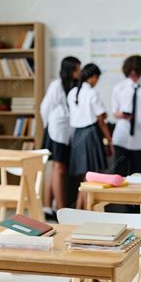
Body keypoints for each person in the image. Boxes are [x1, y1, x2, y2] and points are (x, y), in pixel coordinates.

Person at [67, 63, 114, 209]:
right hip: (91, 135)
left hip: (78, 135)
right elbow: (101, 121)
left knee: (86, 177)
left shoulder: (72, 92)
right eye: (97, 78)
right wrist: (110, 140)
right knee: (91, 176)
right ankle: (84, 209)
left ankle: (80, 209)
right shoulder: (93, 93)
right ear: (93, 77)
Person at [40, 56, 81, 219]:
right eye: (77, 68)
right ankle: (61, 209)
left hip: (66, 132)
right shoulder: (56, 85)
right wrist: (48, 127)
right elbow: (44, 108)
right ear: (69, 70)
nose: (79, 71)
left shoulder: (75, 85)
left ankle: (47, 205)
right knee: (59, 169)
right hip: (56, 131)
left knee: (56, 168)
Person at [111, 55, 141, 176]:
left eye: (136, 73)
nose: (133, 76)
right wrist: (121, 115)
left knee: (139, 175)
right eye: (130, 73)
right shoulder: (119, 88)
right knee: (119, 175)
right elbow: (114, 112)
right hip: (121, 138)